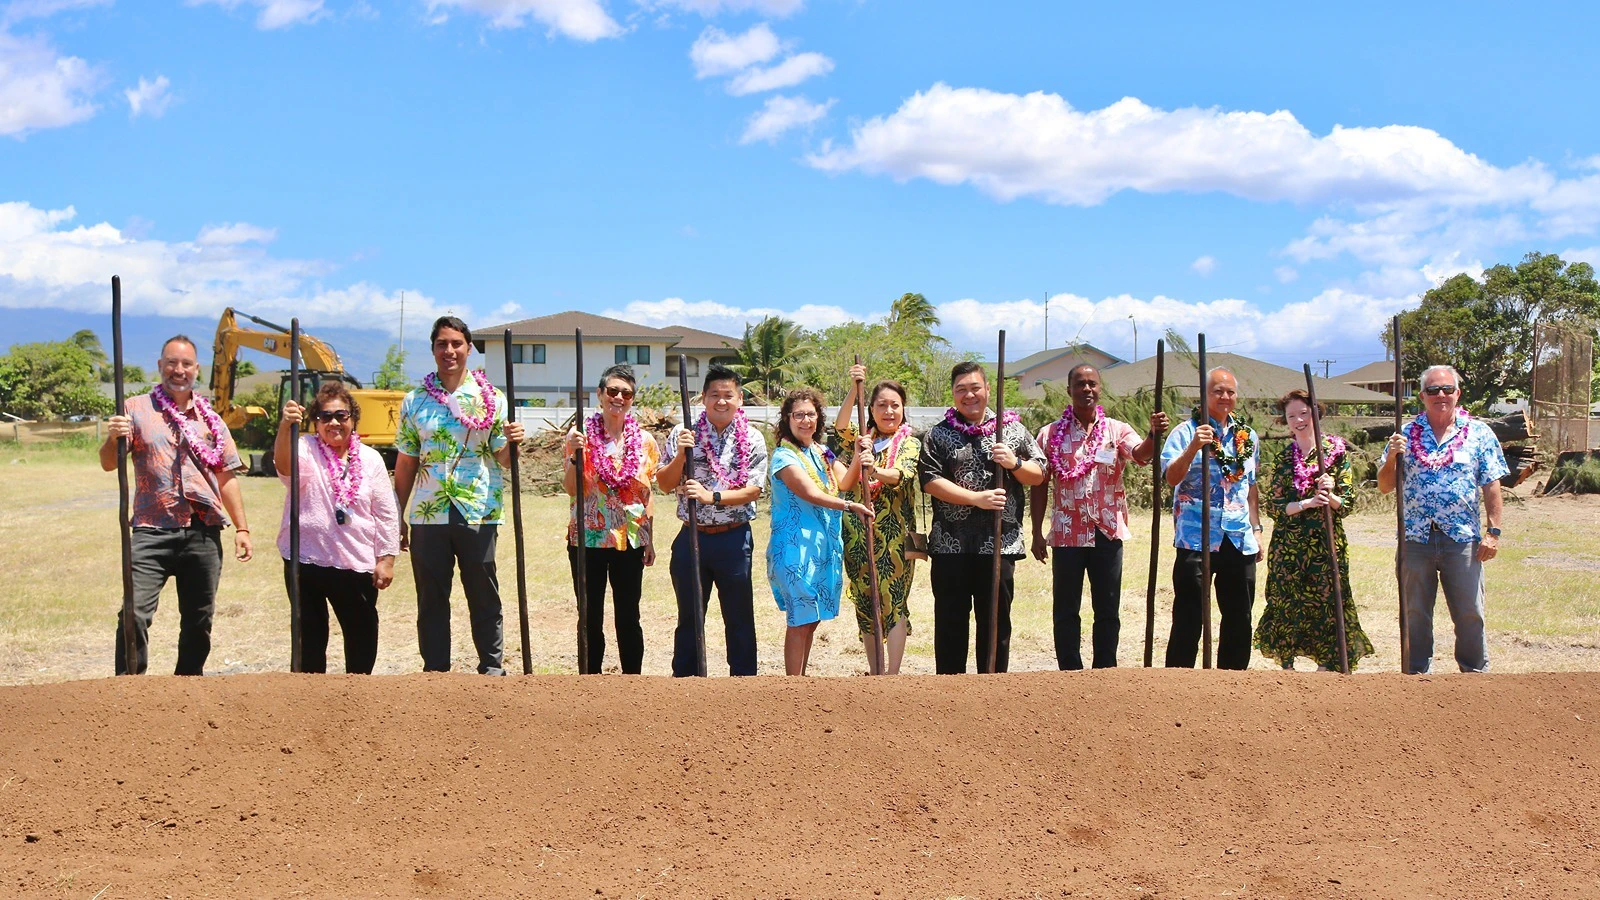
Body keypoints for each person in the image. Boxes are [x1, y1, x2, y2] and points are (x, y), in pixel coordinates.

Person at [99, 334, 253, 675]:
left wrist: (241, 527)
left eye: (185, 364)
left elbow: (226, 476)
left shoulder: (211, 419)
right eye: (171, 362)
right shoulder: (134, 409)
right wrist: (113, 438)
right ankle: (129, 687)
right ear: (160, 366)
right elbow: (109, 464)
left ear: (196, 369)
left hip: (203, 533)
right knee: (133, 613)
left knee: (199, 620)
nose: (178, 370)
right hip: (151, 531)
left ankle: (186, 688)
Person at [394, 316, 525, 675]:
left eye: (456, 343)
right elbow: (405, 463)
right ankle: (436, 672)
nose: (449, 351)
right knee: (432, 598)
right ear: (433, 349)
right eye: (441, 344)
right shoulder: (415, 401)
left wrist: (512, 443)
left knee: (483, 593)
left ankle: (492, 669)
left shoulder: (491, 399)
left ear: (468, 348)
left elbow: (502, 458)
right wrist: (397, 518)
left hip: (478, 510)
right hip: (427, 512)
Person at [1029, 364, 1167, 669]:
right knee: (1066, 609)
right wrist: (1037, 532)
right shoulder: (1049, 434)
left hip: (1107, 531)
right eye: (1080, 384)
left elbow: (1142, 454)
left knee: (1107, 608)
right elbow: (1038, 485)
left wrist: (1154, 434)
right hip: (1067, 534)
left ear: (1100, 389)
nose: (1086, 389)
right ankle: (1070, 670)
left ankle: (1105, 671)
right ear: (1069, 390)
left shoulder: (1116, 430)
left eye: (1092, 384)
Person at [918, 360, 1046, 674]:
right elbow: (929, 480)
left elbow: (1040, 473)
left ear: (988, 389)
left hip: (999, 544)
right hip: (951, 545)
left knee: (995, 622)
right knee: (950, 621)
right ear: (953, 394)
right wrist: (977, 499)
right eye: (961, 389)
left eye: (975, 387)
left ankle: (992, 689)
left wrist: (1014, 463)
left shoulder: (1013, 430)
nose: (969, 395)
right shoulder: (938, 434)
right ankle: (950, 690)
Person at [1379, 364, 1506, 674]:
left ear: (1457, 394)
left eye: (1447, 389)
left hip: (1461, 538)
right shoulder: (1405, 434)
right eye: (1433, 390)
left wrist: (1494, 532)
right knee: (1415, 613)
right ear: (1422, 396)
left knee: (1469, 612)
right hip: (1416, 538)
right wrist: (1392, 459)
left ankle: (1474, 674)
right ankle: (1416, 675)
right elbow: (1384, 485)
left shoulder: (1479, 434)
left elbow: (1492, 484)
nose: (1441, 395)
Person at [275, 382, 400, 674]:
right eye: (325, 417)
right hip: (305, 560)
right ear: (315, 422)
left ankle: (354, 702)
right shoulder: (304, 447)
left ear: (353, 419)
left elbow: (385, 512)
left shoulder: (370, 460)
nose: (333, 423)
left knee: (361, 638)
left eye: (341, 415)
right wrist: (284, 426)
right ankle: (310, 703)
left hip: (354, 564)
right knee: (309, 641)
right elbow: (285, 468)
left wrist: (387, 558)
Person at [657, 364, 769, 677]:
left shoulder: (753, 438)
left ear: (739, 399)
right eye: (714, 395)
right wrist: (682, 454)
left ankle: (744, 682)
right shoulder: (683, 432)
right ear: (703, 398)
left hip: (734, 538)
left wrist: (712, 497)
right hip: (691, 537)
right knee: (690, 616)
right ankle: (687, 681)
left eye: (727, 395)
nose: (721, 401)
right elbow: (664, 484)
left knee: (739, 617)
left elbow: (755, 489)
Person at [1253, 389, 1374, 671]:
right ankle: (1287, 666)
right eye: (1291, 416)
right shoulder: (1285, 458)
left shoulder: (1336, 453)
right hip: (1289, 544)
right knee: (1287, 601)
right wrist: (1306, 503)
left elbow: (1346, 505)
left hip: (1325, 543)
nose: (1298, 420)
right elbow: (1274, 506)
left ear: (1316, 414)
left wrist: (1330, 495)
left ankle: (1328, 666)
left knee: (1328, 600)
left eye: (1304, 413)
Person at [1160, 367, 1262, 670]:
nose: (1225, 397)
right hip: (1195, 537)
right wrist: (1194, 447)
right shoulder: (1185, 432)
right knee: (1190, 617)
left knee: (1239, 617)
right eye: (1218, 391)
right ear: (1205, 395)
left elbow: (1250, 486)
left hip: (1237, 537)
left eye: (1230, 391)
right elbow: (1171, 477)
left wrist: (1256, 530)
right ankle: (1178, 682)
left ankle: (1232, 683)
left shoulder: (1247, 436)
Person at [768, 387, 874, 676]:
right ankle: (793, 685)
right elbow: (809, 492)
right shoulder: (783, 457)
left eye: (811, 414)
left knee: (811, 619)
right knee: (800, 618)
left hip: (822, 546)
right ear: (787, 419)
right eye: (798, 415)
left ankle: (801, 679)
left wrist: (856, 455)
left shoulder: (821, 452)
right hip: (795, 547)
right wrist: (850, 507)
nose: (805, 421)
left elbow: (845, 482)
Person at [562, 364, 659, 675]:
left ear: (632, 399)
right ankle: (590, 681)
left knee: (628, 615)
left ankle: (631, 682)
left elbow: (648, 492)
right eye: (613, 391)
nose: (619, 397)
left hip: (630, 537)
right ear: (600, 395)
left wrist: (650, 538)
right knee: (589, 615)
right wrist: (577, 457)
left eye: (626, 393)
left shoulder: (645, 442)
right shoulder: (580, 437)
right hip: (588, 536)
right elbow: (569, 489)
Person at [833, 364, 922, 674]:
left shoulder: (909, 442)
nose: (888, 411)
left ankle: (892, 675)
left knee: (894, 601)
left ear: (902, 410)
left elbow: (902, 474)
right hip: (857, 534)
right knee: (866, 602)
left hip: (894, 537)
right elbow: (841, 426)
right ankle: (875, 673)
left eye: (894, 405)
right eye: (881, 405)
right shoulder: (863, 439)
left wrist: (874, 470)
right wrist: (855, 387)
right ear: (870, 409)